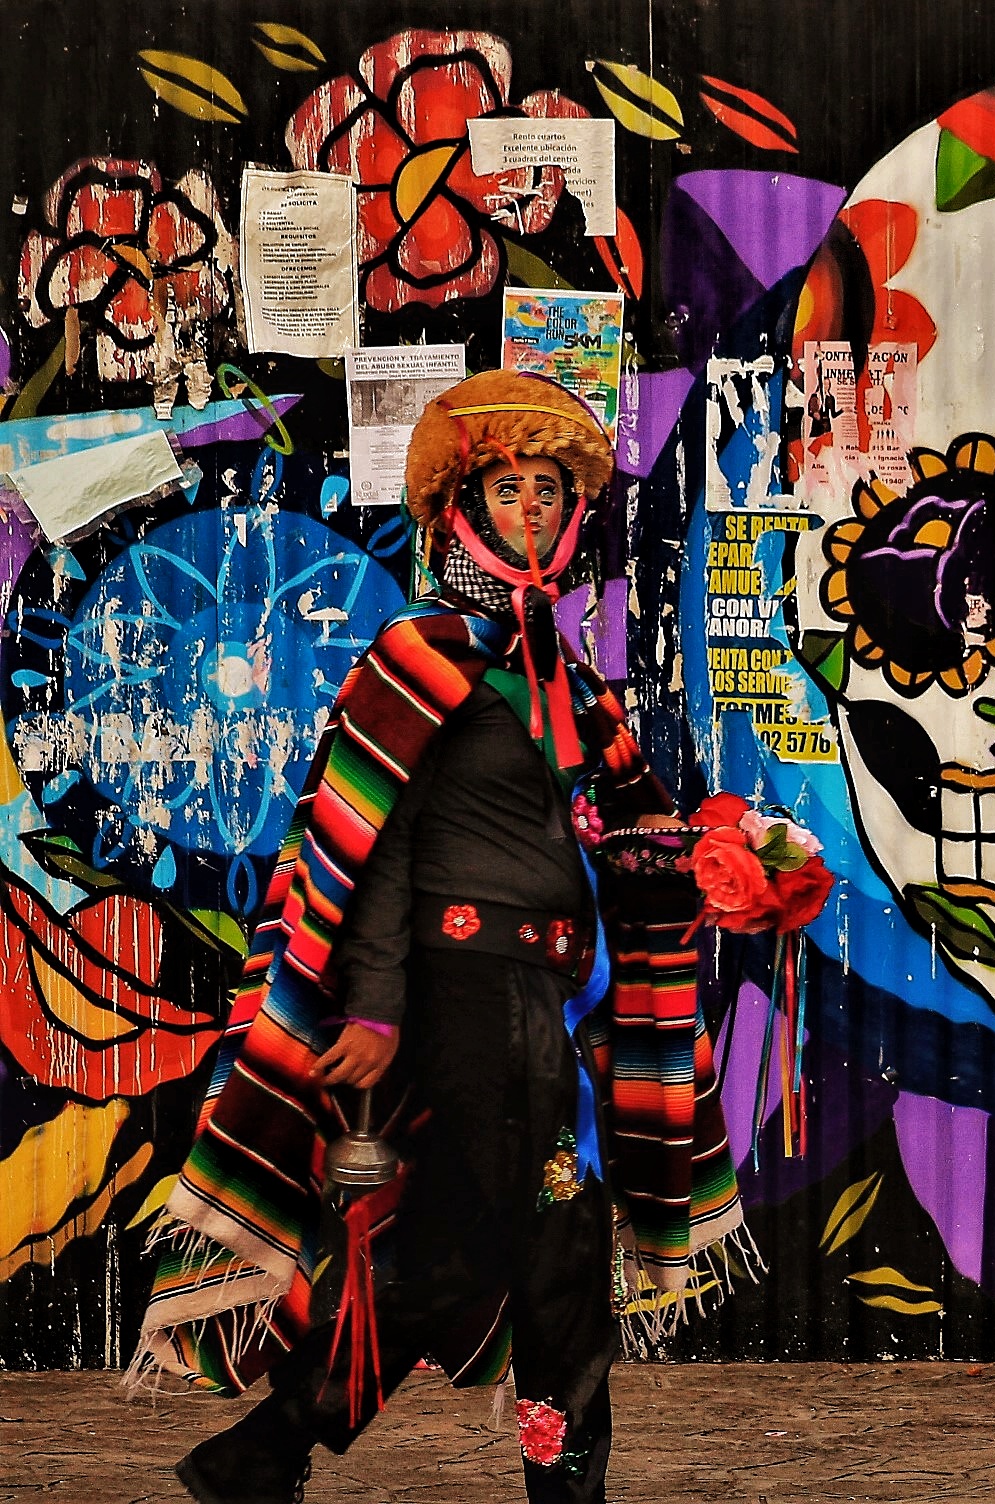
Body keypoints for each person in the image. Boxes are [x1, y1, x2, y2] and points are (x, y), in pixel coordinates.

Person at [134, 370, 748, 1504]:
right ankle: (282, 1449)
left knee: (530, 1251)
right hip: (463, 998)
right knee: (502, 1249)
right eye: (510, 488)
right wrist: (369, 1005)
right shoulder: (416, 662)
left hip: (549, 1008)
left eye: (552, 494)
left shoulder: (569, 684)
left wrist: (733, 867)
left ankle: (269, 1455)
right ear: (461, 509)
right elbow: (370, 843)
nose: (535, 512)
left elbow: (627, 838)